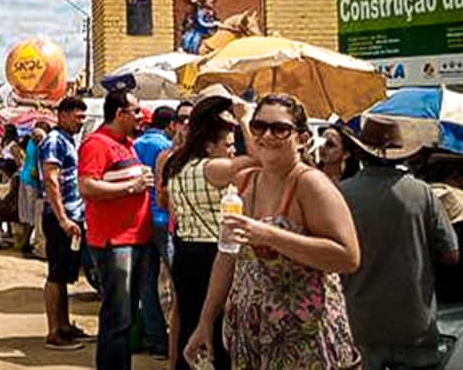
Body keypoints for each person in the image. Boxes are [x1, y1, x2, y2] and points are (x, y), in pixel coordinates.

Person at [186, 94, 360, 370]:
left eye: (279, 129)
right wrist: (206, 320)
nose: (266, 135)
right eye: (258, 127)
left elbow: (348, 257)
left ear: (302, 139)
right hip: (252, 336)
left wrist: (269, 236)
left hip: (304, 340)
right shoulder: (244, 182)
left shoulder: (311, 184)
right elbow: (226, 255)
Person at [339, 118, 459, 370]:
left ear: (360, 151)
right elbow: (451, 254)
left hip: (359, 322)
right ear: (401, 154)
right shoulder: (423, 193)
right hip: (414, 323)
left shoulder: (341, 194)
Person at [161, 97, 254, 370]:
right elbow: (258, 159)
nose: (231, 150)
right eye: (227, 144)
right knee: (217, 331)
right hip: (213, 255)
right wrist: (245, 120)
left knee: (190, 319)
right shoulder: (212, 168)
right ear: (208, 144)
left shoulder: (177, 166)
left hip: (185, 251)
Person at [79, 89, 154, 370]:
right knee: (117, 318)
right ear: (120, 113)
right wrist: (130, 187)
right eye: (135, 110)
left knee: (126, 317)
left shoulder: (127, 144)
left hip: (135, 239)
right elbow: (87, 186)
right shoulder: (97, 144)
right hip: (115, 242)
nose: (140, 115)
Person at [39, 95, 89, 350]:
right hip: (60, 217)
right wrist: (62, 218)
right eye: (78, 117)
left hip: (73, 216)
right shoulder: (54, 141)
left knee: (65, 273)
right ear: (63, 115)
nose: (81, 122)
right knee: (56, 274)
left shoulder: (68, 140)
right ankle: (54, 331)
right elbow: (51, 180)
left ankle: (65, 325)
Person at [134, 105, 176, 358]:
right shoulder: (166, 149)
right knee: (178, 279)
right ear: (171, 124)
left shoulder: (135, 144)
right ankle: (176, 341)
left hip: (141, 218)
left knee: (147, 282)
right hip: (163, 218)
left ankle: (157, 340)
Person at [17, 122, 49, 258]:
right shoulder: (37, 143)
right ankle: (25, 243)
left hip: (28, 180)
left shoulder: (35, 142)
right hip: (30, 181)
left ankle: (25, 243)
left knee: (29, 215)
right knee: (30, 215)